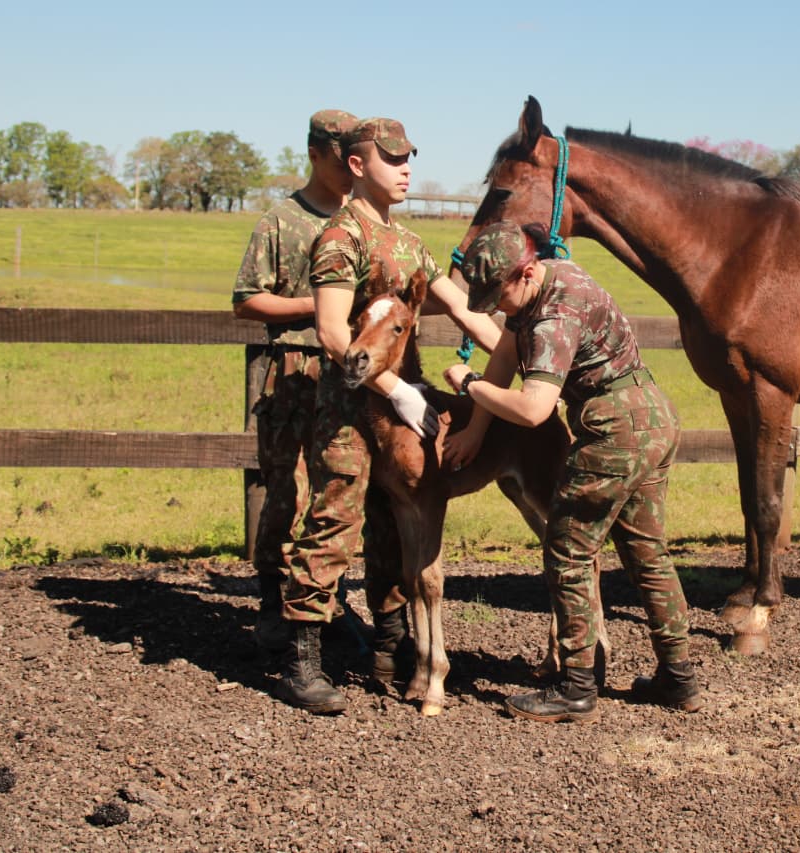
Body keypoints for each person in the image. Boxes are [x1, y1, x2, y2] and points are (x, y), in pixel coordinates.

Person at [276, 116, 502, 714]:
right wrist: (395, 387)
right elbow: (329, 330)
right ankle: (302, 660)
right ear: (357, 165)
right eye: (393, 160)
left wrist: (519, 354)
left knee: (391, 535)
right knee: (334, 524)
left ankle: (390, 649)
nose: (406, 171)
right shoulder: (339, 237)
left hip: (402, 409)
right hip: (350, 412)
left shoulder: (408, 242)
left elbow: (463, 310)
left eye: (409, 160)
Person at [443, 220, 703, 723]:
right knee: (647, 553)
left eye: (500, 294)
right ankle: (679, 679)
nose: (497, 306)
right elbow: (505, 350)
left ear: (525, 272)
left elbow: (533, 409)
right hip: (653, 417)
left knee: (567, 549)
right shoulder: (555, 277)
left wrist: (470, 385)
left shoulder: (553, 319)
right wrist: (475, 432)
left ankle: (576, 686)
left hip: (614, 432)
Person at [232, 110, 357, 653]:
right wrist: (317, 306)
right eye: (339, 157)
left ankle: (330, 600)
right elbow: (246, 299)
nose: (350, 168)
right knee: (287, 489)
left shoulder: (360, 222)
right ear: (315, 153)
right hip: (292, 371)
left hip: (347, 377)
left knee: (341, 491)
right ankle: (273, 606)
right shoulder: (282, 220)